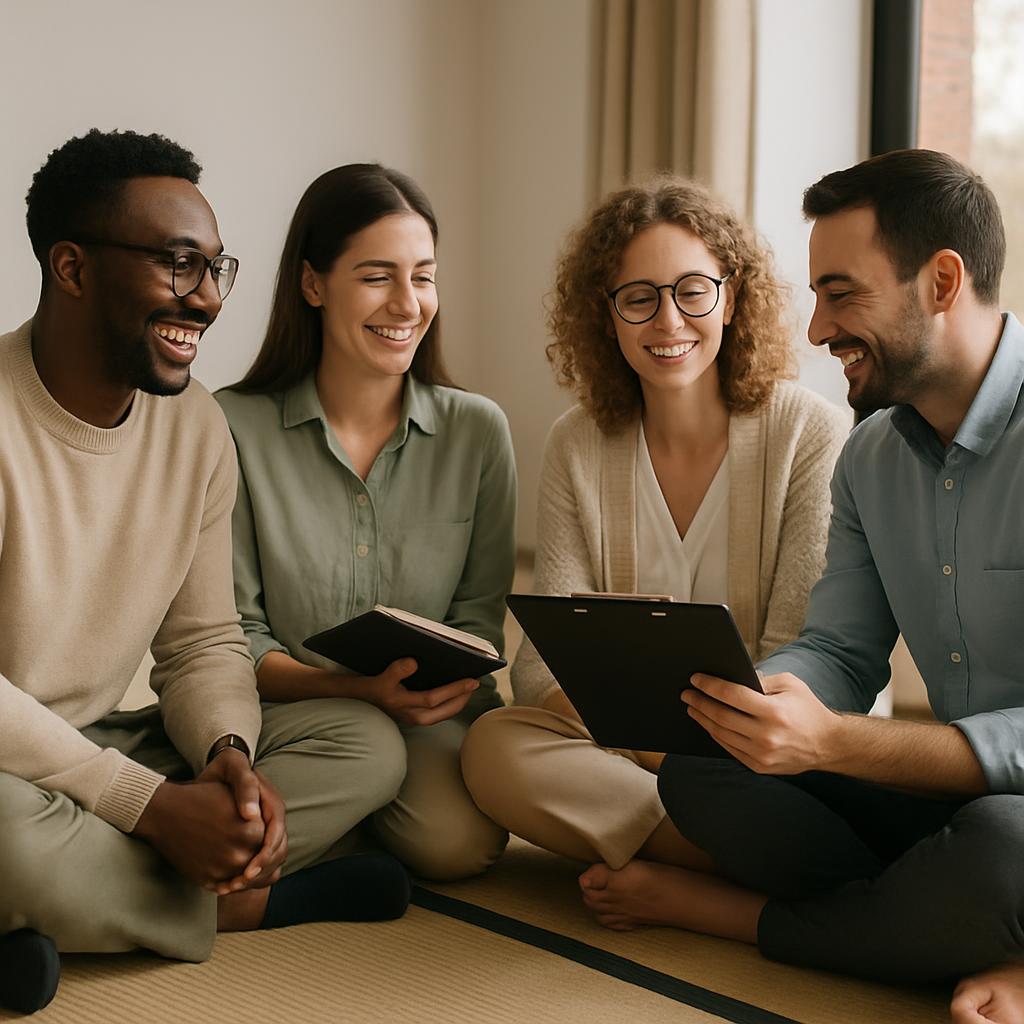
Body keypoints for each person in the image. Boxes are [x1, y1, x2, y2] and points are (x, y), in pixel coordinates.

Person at [574, 149, 1024, 1014]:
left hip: (1009, 824)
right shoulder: (871, 458)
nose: (816, 330)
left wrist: (837, 744)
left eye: (841, 293)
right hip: (949, 809)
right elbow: (839, 650)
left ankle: (753, 921)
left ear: (940, 281)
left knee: (1004, 851)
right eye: (817, 296)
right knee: (706, 771)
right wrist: (758, 699)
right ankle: (958, 929)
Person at [0, 131, 409, 1016]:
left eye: (218, 269)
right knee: (4, 831)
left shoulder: (195, 429)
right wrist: (147, 807)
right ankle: (249, 905)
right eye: (180, 267)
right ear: (71, 268)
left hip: (107, 739)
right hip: (9, 768)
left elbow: (202, 644)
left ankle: (67, 908)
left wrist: (228, 759)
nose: (211, 300)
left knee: (364, 745)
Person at [461, 176, 848, 883]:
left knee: (811, 777)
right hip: (634, 756)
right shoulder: (576, 443)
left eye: (692, 290)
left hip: (770, 756)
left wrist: (672, 748)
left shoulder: (809, 433)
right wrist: (656, 755)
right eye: (639, 298)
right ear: (605, 316)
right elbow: (541, 668)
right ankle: (718, 865)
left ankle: (699, 857)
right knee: (493, 747)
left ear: (730, 298)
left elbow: (803, 655)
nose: (668, 322)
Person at [215, 164, 516, 882]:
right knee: (366, 757)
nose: (407, 304)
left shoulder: (478, 432)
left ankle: (324, 832)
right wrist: (352, 693)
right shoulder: (230, 426)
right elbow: (235, 637)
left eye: (424, 276)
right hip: (290, 713)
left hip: (427, 719)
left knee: (459, 845)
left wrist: (443, 687)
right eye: (378, 276)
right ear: (313, 284)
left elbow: (477, 622)